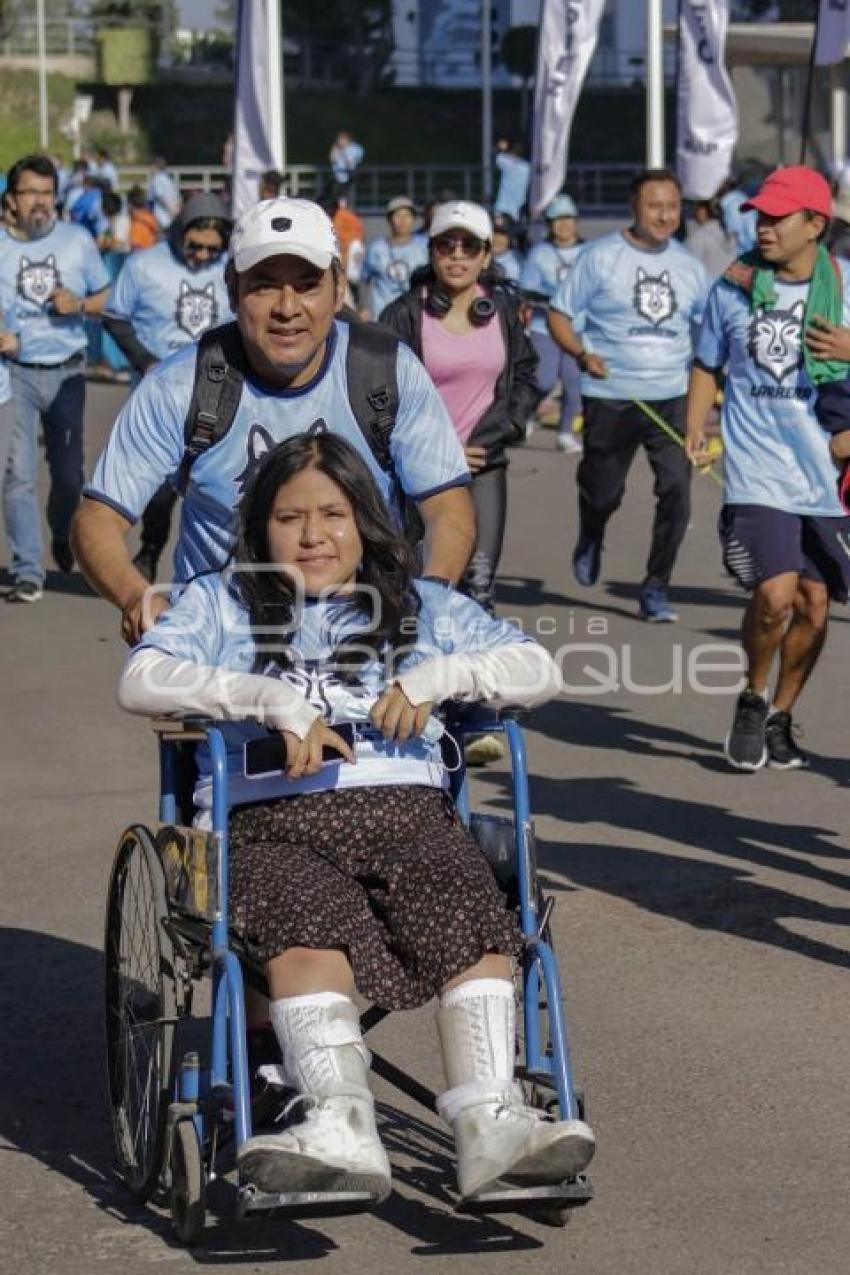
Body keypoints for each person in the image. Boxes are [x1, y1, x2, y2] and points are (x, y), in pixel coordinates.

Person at [117, 431, 595, 1201]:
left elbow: (537, 668)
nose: (312, 535)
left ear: (365, 520)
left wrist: (441, 675)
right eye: (289, 516)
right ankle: (337, 1118)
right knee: (303, 912)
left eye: (333, 513)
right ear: (258, 529)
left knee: (456, 888)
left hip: (406, 810)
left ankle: (493, 1123)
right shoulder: (221, 600)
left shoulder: (422, 604)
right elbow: (141, 680)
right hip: (271, 816)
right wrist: (269, 699)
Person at [71, 196, 475, 644]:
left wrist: (432, 600)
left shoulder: (386, 372)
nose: (287, 307)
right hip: (225, 655)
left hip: (364, 646)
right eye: (264, 286)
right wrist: (137, 598)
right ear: (232, 290)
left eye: (307, 285)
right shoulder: (180, 385)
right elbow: (98, 518)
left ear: (339, 289)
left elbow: (447, 506)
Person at [686, 165, 850, 770]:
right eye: (759, 214)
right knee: (776, 594)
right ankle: (753, 695)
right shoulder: (731, 286)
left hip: (830, 474)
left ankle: (782, 711)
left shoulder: (847, 284)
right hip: (757, 468)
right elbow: (707, 365)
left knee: (814, 603)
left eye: (778, 216)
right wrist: (696, 427)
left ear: (816, 225)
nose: (763, 226)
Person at [380, 201, 540, 766]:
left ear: (485, 254)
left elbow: (525, 377)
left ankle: (475, 716)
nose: (456, 256)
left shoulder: (503, 310)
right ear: (431, 251)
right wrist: (428, 447)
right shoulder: (404, 314)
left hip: (482, 464)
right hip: (418, 472)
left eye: (467, 246)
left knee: (478, 584)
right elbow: (376, 386)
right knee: (422, 583)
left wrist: (501, 434)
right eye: (445, 245)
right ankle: (417, 695)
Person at [548, 168, 711, 622]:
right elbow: (560, 314)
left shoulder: (689, 266)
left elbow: (713, 329)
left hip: (671, 396)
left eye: (673, 207)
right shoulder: (600, 257)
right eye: (655, 206)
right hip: (612, 394)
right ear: (634, 208)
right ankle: (592, 531)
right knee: (604, 492)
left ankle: (657, 586)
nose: (665, 216)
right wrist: (581, 354)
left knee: (677, 492)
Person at [102, 193, 234, 581]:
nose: (202, 256)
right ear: (179, 234)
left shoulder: (233, 271)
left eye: (212, 249)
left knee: (216, 484)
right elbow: (115, 316)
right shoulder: (144, 265)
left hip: (218, 390)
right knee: (159, 488)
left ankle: (214, 573)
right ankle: (150, 548)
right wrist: (145, 361)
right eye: (194, 246)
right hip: (159, 391)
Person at [0, 154, 110, 602]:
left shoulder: (77, 241)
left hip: (67, 374)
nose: (41, 203)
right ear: (12, 199)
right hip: (15, 378)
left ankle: (62, 530)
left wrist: (79, 305)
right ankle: (28, 569)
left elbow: (107, 295)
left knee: (68, 478)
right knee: (18, 475)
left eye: (48, 193)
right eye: (31, 193)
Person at [520, 193, 585, 455]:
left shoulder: (588, 251)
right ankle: (528, 414)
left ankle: (565, 433)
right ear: (549, 224)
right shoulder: (540, 253)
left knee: (574, 384)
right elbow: (526, 290)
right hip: (544, 327)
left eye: (567, 219)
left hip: (577, 328)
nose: (563, 225)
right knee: (544, 381)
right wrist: (553, 299)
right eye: (556, 220)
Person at [362, 195, 428, 320]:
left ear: (413, 219)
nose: (403, 220)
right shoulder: (377, 248)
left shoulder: (424, 246)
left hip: (417, 314)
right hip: (382, 314)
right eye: (398, 215)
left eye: (407, 216)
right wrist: (364, 307)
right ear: (389, 219)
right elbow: (365, 280)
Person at [685, 196, 737, 279]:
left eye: (698, 208)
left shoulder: (698, 237)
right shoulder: (729, 236)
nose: (694, 212)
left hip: (707, 288)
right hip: (728, 287)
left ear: (704, 211)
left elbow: (688, 271)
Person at [494, 140, 531, 222]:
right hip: (519, 211)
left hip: (503, 209)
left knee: (500, 233)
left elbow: (497, 155)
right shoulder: (528, 168)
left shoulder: (507, 163)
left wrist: (501, 148)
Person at [147, 156, 181, 231]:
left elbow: (160, 197)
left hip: (161, 217)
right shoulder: (169, 180)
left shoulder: (157, 179)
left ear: (154, 166)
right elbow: (177, 197)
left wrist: (171, 210)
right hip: (170, 217)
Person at [329, 130, 364, 197]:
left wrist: (344, 152)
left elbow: (351, 164)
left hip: (349, 177)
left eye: (342, 139)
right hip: (338, 177)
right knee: (337, 196)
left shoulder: (353, 148)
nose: (340, 141)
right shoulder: (336, 148)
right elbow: (332, 159)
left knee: (349, 197)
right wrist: (335, 149)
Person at [491, 212, 523, 283]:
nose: (496, 238)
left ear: (511, 238)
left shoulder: (515, 265)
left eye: (502, 234)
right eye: (494, 233)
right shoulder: (480, 256)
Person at [127, 185, 159, 251]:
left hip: (143, 258)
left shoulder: (137, 225)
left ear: (130, 205)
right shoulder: (151, 218)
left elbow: (135, 249)